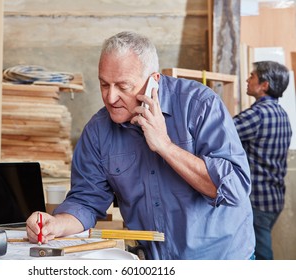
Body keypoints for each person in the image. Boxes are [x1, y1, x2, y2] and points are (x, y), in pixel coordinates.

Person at [26, 31, 255, 260]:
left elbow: (234, 189)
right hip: (155, 262)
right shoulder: (97, 131)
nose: (111, 97)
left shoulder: (199, 105)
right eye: (104, 84)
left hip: (222, 260)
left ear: (153, 80)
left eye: (123, 86)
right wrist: (56, 224)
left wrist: (165, 146)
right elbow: (85, 201)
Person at [233, 61, 292, 260]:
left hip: (257, 201)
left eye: (252, 76)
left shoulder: (257, 115)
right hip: (274, 198)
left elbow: (220, 133)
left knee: (261, 256)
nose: (248, 80)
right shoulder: (282, 114)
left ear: (264, 85)